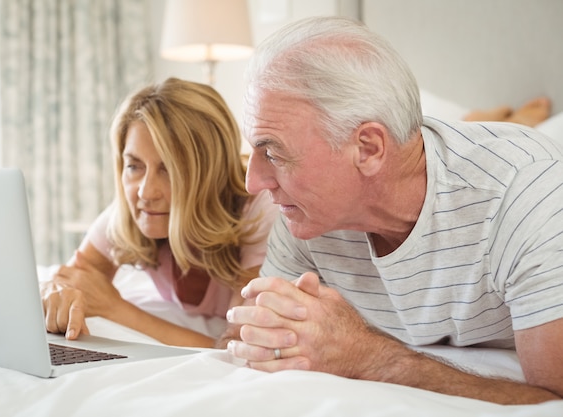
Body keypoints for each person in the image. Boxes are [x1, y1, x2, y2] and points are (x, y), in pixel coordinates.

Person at [223, 16, 563, 404]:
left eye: (273, 152)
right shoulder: (303, 210)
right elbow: (245, 339)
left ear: (368, 148)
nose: (255, 182)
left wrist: (372, 357)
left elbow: (554, 401)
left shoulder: (526, 192)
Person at [40, 77, 278, 348]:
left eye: (167, 169)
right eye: (134, 166)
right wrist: (54, 291)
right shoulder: (133, 208)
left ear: (210, 173)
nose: (145, 193)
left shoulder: (259, 210)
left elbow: (240, 346)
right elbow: (74, 280)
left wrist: (115, 309)